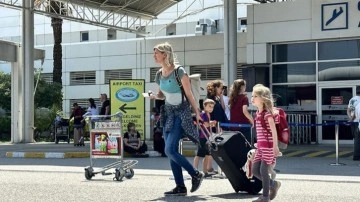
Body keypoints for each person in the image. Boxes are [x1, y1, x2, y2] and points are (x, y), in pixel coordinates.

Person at [149, 42, 204, 196]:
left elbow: (189, 95)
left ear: (165, 55)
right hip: (167, 113)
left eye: (156, 53)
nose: (154, 56)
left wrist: (197, 112)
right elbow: (160, 95)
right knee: (170, 150)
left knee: (169, 149)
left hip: (181, 113)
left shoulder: (179, 72)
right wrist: (152, 96)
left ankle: (195, 174)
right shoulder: (159, 74)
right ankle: (180, 186)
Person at [251, 84, 281, 202]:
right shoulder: (257, 114)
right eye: (252, 95)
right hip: (260, 147)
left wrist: (275, 146)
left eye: (255, 96)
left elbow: (274, 131)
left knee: (263, 170)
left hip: (268, 146)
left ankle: (265, 196)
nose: (252, 98)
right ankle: (273, 184)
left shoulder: (267, 114)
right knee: (254, 170)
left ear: (263, 99)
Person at [193, 99, 216, 178]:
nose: (211, 108)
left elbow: (207, 125)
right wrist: (211, 123)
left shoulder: (208, 114)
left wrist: (211, 123)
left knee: (207, 154)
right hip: (202, 137)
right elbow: (205, 124)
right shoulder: (203, 114)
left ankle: (205, 171)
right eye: (209, 106)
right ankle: (194, 169)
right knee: (199, 154)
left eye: (212, 107)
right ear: (204, 106)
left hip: (207, 137)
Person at [347, 86, 360, 161]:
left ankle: (356, 156)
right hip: (358, 121)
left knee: (356, 139)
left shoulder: (352, 99)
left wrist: (350, 118)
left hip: (353, 122)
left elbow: (348, 110)